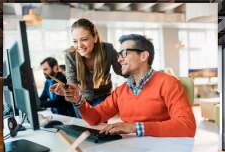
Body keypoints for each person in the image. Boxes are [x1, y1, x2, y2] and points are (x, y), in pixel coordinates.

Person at [52, 34, 196, 137]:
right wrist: (78, 99)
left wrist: (134, 127)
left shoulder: (168, 83)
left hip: (162, 151)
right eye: (119, 55)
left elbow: (187, 126)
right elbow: (95, 118)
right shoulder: (122, 90)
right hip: (131, 150)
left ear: (143, 56)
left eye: (124, 53)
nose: (119, 59)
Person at [64, 18, 124, 117]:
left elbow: (122, 70)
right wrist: (67, 90)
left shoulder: (108, 50)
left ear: (95, 38)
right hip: (81, 97)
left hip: (102, 95)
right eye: (75, 41)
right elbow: (71, 80)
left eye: (84, 39)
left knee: (99, 126)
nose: (79, 45)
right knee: (82, 126)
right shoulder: (70, 55)